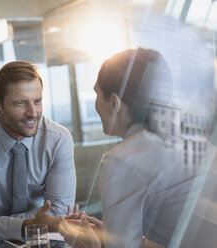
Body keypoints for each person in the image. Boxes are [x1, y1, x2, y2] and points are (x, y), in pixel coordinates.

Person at [59, 48, 197, 248]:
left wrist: (87, 243)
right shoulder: (191, 142)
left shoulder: (122, 159)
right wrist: (112, 234)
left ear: (115, 103)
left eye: (97, 94)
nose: (96, 105)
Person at [0, 61, 76, 241]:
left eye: (37, 101)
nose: (32, 112)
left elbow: (58, 213)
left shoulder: (58, 140)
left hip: (47, 242)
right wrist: (29, 226)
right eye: (21, 103)